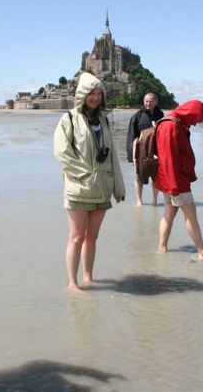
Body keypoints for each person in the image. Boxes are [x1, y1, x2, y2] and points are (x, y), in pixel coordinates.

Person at [53, 72, 125, 292]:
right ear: (82, 94)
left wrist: (118, 188)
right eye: (91, 93)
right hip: (79, 188)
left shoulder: (104, 120)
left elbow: (112, 155)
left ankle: (88, 277)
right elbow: (62, 153)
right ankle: (73, 283)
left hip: (102, 188)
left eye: (98, 94)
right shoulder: (69, 119)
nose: (95, 98)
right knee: (76, 237)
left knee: (92, 237)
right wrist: (85, 174)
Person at [154, 99, 203, 261]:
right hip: (175, 181)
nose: (195, 123)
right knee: (191, 215)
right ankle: (202, 253)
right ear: (190, 114)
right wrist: (173, 185)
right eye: (196, 120)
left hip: (170, 180)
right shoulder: (170, 125)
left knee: (168, 214)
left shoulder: (176, 122)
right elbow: (167, 158)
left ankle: (162, 248)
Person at [126, 92, 165, 206]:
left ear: (156, 102)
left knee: (156, 178)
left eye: (151, 101)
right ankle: (139, 200)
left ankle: (154, 201)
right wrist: (131, 157)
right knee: (140, 177)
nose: (148, 103)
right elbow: (131, 136)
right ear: (144, 102)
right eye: (146, 101)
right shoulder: (137, 116)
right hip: (141, 152)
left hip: (156, 151)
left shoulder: (160, 115)